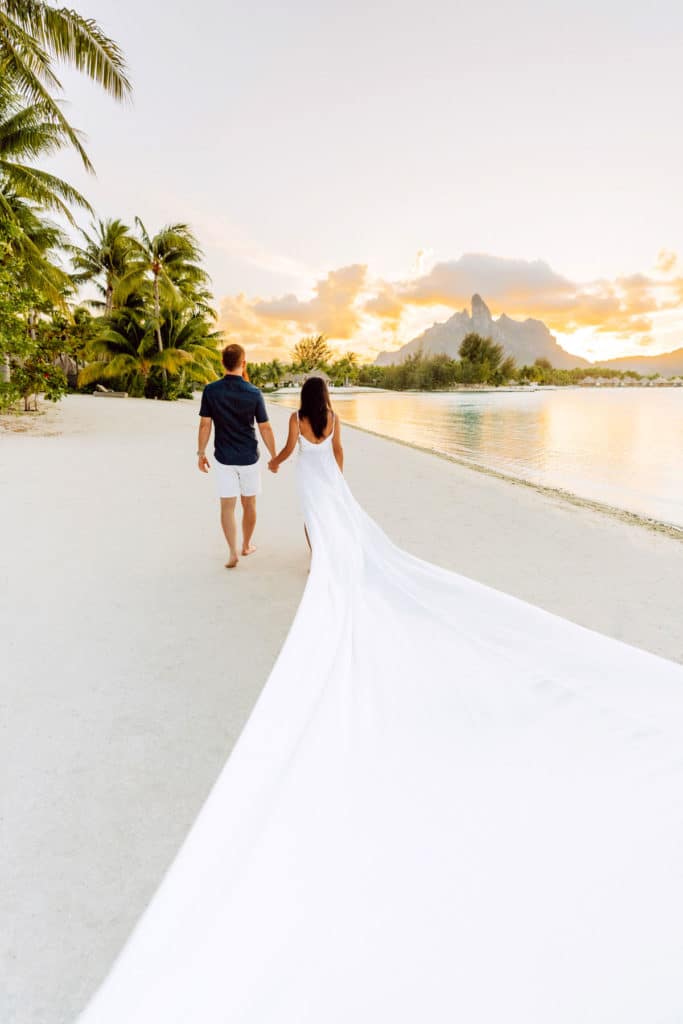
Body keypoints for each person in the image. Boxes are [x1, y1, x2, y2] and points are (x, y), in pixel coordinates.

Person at [76, 373, 683, 1023]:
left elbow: (287, 455)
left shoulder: (294, 420)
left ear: (299, 405)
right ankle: (326, 560)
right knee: (333, 525)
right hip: (329, 484)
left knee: (317, 527)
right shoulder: (332, 420)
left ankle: (322, 564)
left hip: (311, 490)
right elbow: (334, 459)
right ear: (324, 401)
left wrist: (281, 461)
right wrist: (330, 471)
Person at [197, 343, 276, 568]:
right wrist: (274, 456)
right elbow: (265, 428)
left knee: (227, 506)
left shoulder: (211, 390)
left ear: (222, 363)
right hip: (249, 457)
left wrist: (201, 453)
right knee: (249, 504)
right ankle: (246, 544)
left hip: (223, 458)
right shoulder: (253, 392)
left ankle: (232, 551)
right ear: (244, 363)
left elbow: (205, 425)